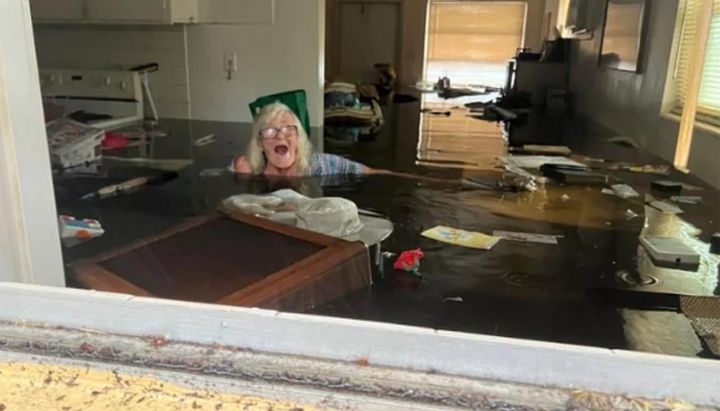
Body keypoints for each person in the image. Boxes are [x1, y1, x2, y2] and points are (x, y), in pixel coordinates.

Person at [232, 102, 373, 176]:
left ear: (299, 138)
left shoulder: (321, 166)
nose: (280, 136)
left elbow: (371, 173)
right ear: (259, 143)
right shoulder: (250, 171)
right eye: (269, 131)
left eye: (289, 129)